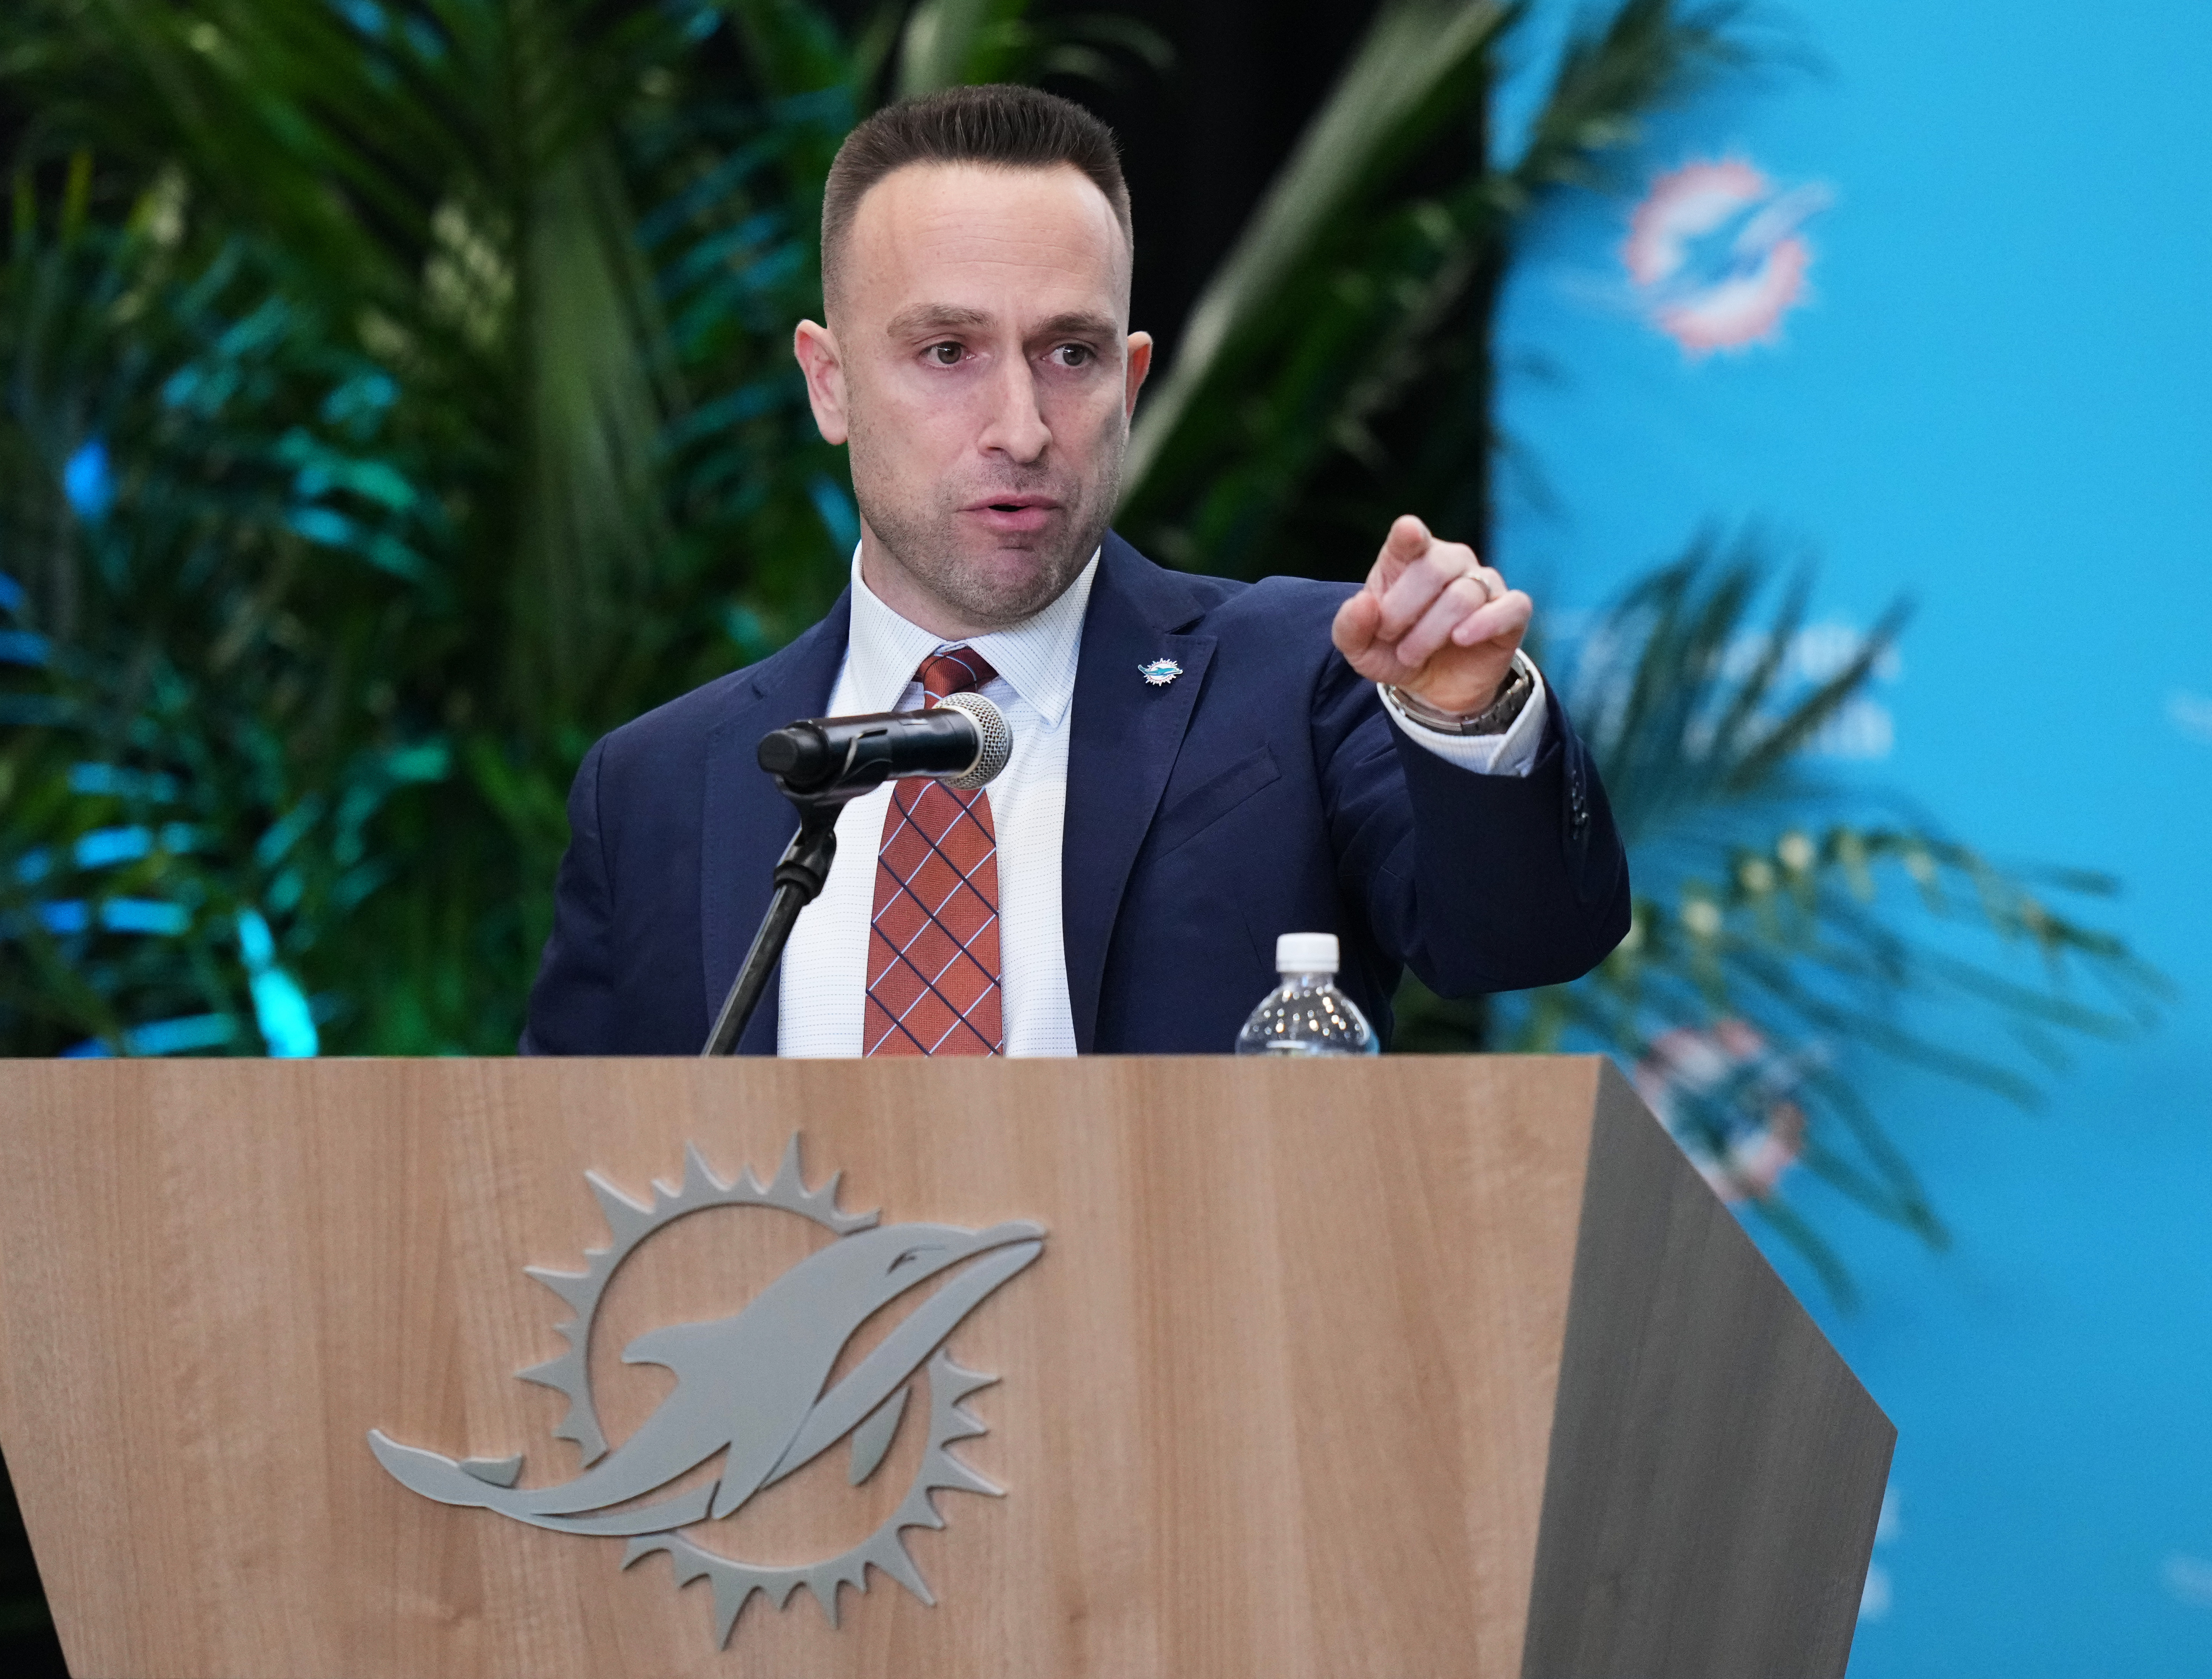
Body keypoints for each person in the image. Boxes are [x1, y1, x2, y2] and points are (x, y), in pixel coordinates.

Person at [521, 85, 1628, 1058]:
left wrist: (1465, 718)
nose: (1021, 426)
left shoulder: (1295, 682)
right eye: (947, 353)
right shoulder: (659, 787)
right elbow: (558, 1200)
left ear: (1130, 380)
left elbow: (1522, 939)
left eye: (1070, 355)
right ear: (830, 383)